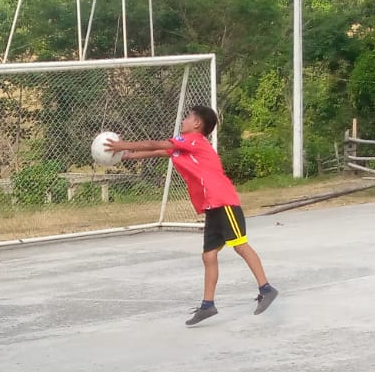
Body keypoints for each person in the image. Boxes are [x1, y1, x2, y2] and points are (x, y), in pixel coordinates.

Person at [108, 106, 279, 326]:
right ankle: (208, 305)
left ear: (197, 124)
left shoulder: (195, 141)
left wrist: (122, 145)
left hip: (223, 201)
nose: (184, 120)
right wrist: (126, 154)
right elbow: (157, 151)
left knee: (240, 246)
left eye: (188, 117)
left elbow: (155, 144)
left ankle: (266, 288)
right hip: (212, 206)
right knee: (208, 256)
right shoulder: (183, 147)